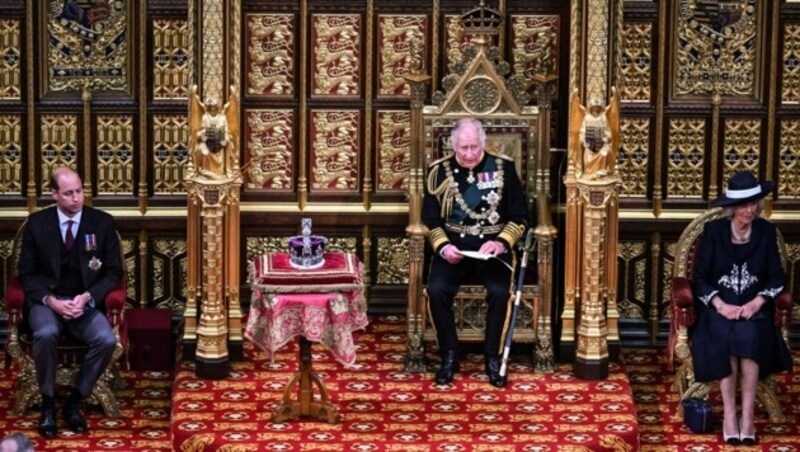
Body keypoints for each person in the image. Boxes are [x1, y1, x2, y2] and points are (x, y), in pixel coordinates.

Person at [690, 170, 792, 446]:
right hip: (718, 310)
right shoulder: (714, 232)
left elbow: (776, 277)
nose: (749, 210)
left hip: (753, 309)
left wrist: (757, 301)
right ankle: (729, 417)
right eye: (743, 205)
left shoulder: (766, 232)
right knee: (724, 338)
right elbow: (699, 279)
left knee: (748, 337)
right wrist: (720, 304)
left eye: (753, 204)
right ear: (732, 208)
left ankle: (747, 417)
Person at [17, 167, 120, 438]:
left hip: (83, 301)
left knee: (107, 340)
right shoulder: (37, 225)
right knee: (46, 332)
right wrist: (50, 301)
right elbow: (26, 275)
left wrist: (88, 297)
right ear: (54, 194)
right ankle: (48, 404)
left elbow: (113, 273)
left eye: (79, 191)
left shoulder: (102, 223)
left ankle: (74, 401)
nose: (76, 198)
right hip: (47, 302)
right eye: (69, 193)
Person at [423, 118, 526, 388]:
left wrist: (501, 243)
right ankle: (449, 354)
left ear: (483, 143)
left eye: (474, 148)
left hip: (491, 250)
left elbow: (520, 216)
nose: (469, 154)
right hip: (454, 248)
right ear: (453, 145)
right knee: (437, 290)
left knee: (499, 292)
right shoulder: (438, 173)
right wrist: (444, 247)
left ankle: (492, 357)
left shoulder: (504, 168)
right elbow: (431, 220)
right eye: (463, 148)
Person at [578, 96, 612, 179]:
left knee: (605, 152)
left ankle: (601, 173)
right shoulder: (587, 118)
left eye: (598, 107)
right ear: (591, 107)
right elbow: (582, 132)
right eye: (594, 107)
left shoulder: (603, 118)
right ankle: (589, 173)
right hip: (590, 145)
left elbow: (608, 131)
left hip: (601, 144)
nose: (596, 109)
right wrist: (584, 141)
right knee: (588, 156)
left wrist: (606, 138)